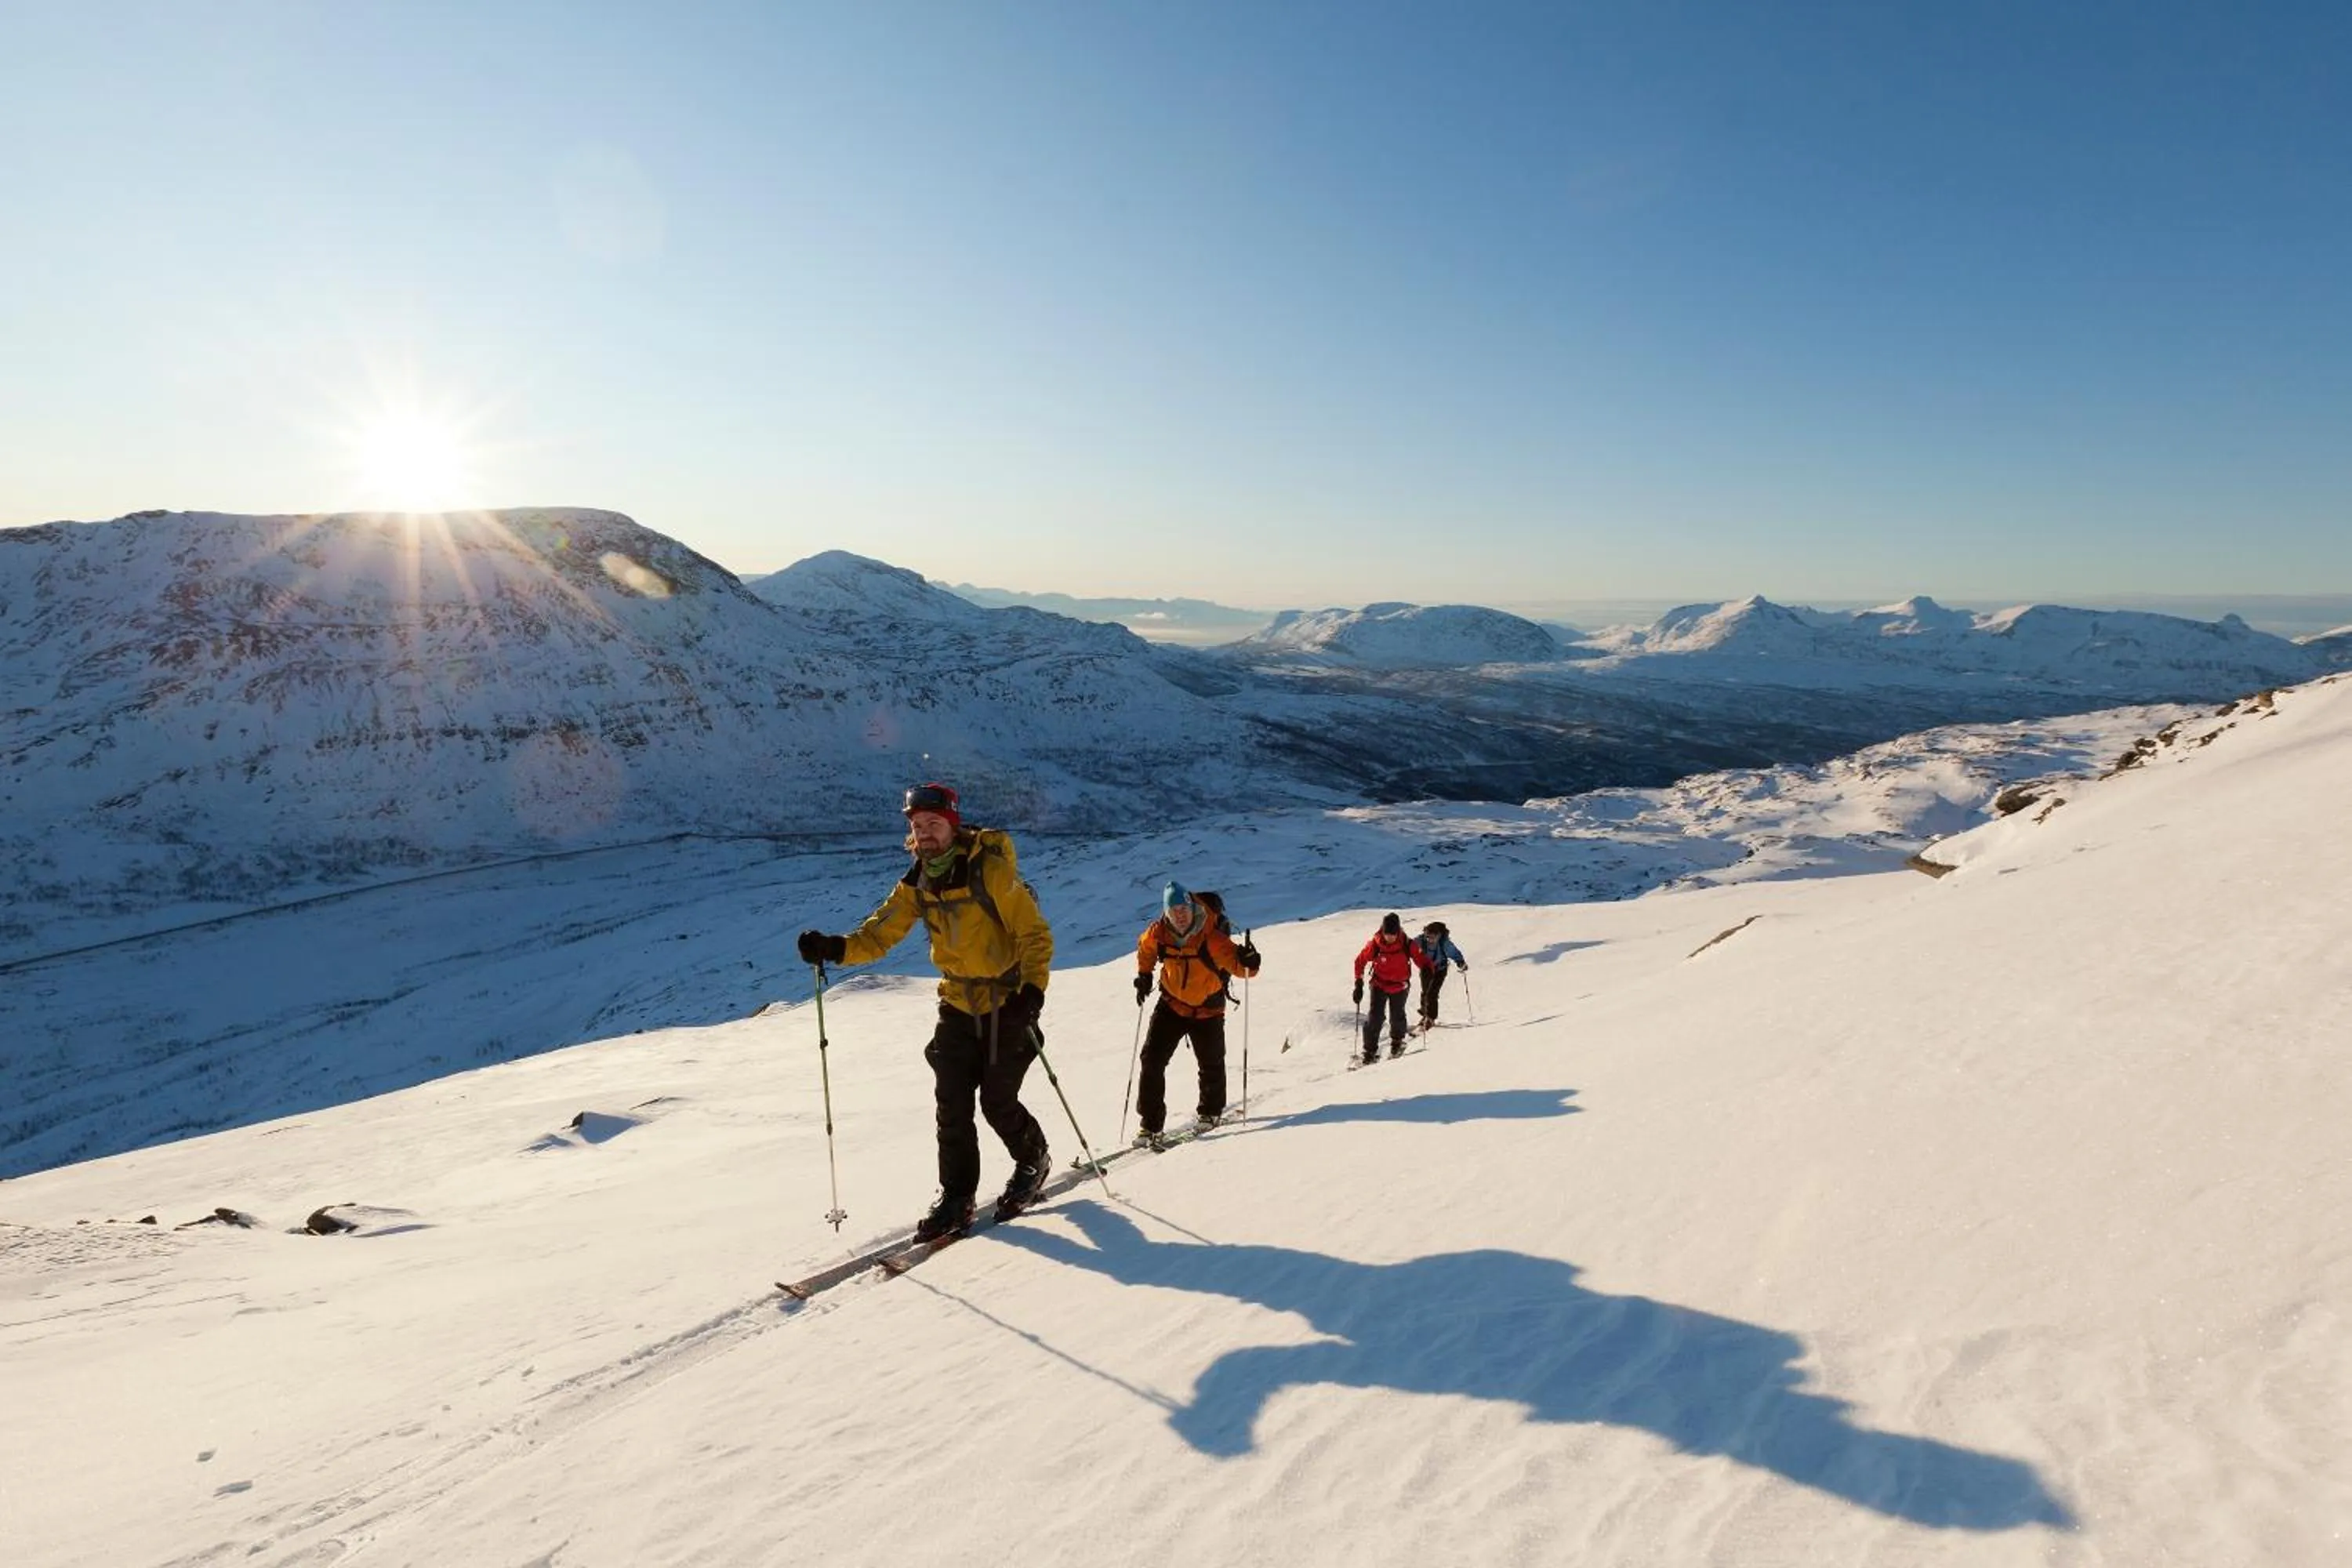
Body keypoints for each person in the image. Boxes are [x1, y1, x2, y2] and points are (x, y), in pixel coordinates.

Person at [797, 782, 1054, 1240]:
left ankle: (1033, 1159)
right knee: (951, 1106)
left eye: (934, 824)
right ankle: (956, 1197)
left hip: (1006, 1003)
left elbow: (1034, 936)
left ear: (953, 825)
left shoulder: (990, 872)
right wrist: (835, 949)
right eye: (917, 827)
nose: (926, 833)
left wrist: (1030, 994)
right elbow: (879, 934)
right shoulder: (919, 880)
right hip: (956, 1003)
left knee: (997, 1102)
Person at [1133, 882, 1261, 1145]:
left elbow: (1241, 968)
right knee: (1151, 1059)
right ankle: (1150, 1125)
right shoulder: (1159, 933)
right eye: (1173, 911)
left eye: (1183, 909)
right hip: (1171, 1004)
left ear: (1192, 908)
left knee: (1211, 1064)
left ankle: (1211, 1113)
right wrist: (1144, 975)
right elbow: (1145, 948)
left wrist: (1251, 961)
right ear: (1166, 913)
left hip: (1208, 1009)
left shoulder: (1211, 938)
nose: (1179, 915)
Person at [1352, 912, 1432, 1063]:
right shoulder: (1375, 944)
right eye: (1387, 934)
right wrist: (1359, 983)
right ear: (1383, 931)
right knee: (1375, 1017)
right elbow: (1360, 961)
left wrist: (1427, 971)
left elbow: (1422, 960)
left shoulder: (1407, 944)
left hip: (1400, 985)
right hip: (1379, 984)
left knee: (1397, 1016)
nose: (1390, 937)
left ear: (1398, 931)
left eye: (1393, 934)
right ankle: (1369, 1052)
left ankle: (1397, 1043)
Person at [1412, 920, 1470, 1029]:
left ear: (1439, 936)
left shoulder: (1444, 943)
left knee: (1432, 993)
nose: (1430, 940)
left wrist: (1460, 962)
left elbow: (1454, 952)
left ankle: (1431, 1018)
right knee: (1425, 992)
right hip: (1426, 969)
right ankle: (1425, 1014)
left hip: (1440, 969)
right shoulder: (1421, 940)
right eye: (1428, 937)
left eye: (1433, 937)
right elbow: (1410, 947)